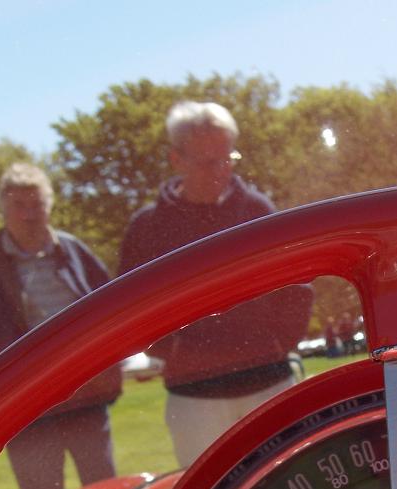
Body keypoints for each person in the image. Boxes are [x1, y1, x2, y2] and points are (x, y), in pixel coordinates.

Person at [118, 101, 312, 468]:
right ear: (177, 159)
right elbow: (129, 312)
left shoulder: (257, 210)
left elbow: (297, 284)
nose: (220, 170)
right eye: (207, 162)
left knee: (289, 488)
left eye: (227, 158)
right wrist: (175, 353)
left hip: (268, 385)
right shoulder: (148, 228)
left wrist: (276, 343)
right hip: (193, 398)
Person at [0, 163, 120, 489]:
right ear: (2, 210)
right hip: (28, 409)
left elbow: (115, 306)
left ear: (50, 205)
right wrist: (1, 397)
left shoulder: (72, 251)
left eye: (37, 205)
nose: (29, 215)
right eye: (19, 206)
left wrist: (108, 368)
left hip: (86, 397)